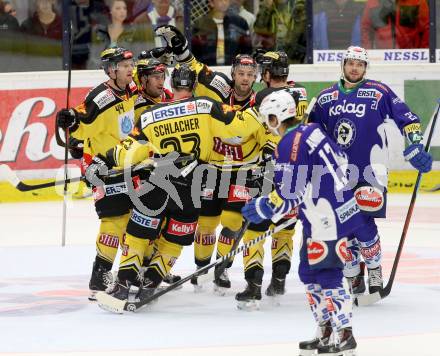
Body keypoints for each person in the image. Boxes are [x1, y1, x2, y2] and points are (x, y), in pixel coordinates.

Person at [87, 64, 268, 302]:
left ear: (171, 86)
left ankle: (122, 285)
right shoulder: (206, 106)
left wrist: (101, 160)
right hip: (192, 188)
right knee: (173, 240)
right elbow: (241, 125)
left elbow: (129, 150)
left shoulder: (149, 116)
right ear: (194, 85)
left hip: (157, 183)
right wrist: (264, 107)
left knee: (138, 235)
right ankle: (150, 283)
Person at [156, 25, 295, 300]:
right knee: (205, 224)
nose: (245, 79)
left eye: (250, 74)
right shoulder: (219, 87)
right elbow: (195, 67)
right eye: (240, 74)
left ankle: (221, 267)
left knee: (233, 221)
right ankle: (200, 268)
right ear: (233, 74)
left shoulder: (262, 99)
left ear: (256, 77)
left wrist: (268, 149)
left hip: (244, 172)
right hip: (211, 169)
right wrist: (182, 49)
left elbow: (272, 131)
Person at [242, 89, 360, 355]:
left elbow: (289, 193)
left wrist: (263, 206)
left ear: (278, 115)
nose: (267, 124)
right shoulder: (310, 130)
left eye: (269, 118)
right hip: (324, 211)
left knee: (328, 273)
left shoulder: (290, 142)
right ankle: (326, 331)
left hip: (327, 214)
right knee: (308, 272)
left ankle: (344, 334)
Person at [308, 46, 433, 296]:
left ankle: (374, 267)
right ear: (343, 65)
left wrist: (417, 144)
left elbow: (408, 119)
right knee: (344, 225)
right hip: (337, 173)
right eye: (351, 63)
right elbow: (310, 133)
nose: (355, 68)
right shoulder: (325, 98)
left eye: (360, 64)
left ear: (365, 68)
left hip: (370, 171)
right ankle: (353, 272)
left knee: (364, 224)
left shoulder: (378, 92)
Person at [56, 47, 138, 301]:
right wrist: (70, 120)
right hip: (102, 168)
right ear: (111, 70)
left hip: (126, 165)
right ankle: (99, 277)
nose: (130, 69)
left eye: (130, 64)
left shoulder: (131, 89)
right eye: (125, 66)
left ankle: (128, 272)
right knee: (112, 221)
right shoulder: (100, 97)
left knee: (130, 220)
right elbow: (79, 121)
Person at [191, 0, 252, 66]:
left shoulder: (239, 23)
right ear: (211, 3)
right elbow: (195, 51)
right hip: (207, 69)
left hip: (233, 69)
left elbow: (247, 50)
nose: (224, 2)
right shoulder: (200, 24)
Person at [89, 0, 146, 69]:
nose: (122, 11)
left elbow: (137, 57)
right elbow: (94, 58)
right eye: (118, 8)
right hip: (102, 72)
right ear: (111, 11)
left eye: (124, 8)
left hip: (125, 73)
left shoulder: (132, 31)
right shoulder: (100, 31)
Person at [361, 0, 429, 49]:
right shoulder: (372, 3)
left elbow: (427, 28)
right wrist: (368, 52)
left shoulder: (417, 1)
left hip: (411, 57)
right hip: (383, 56)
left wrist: (422, 52)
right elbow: (366, 28)